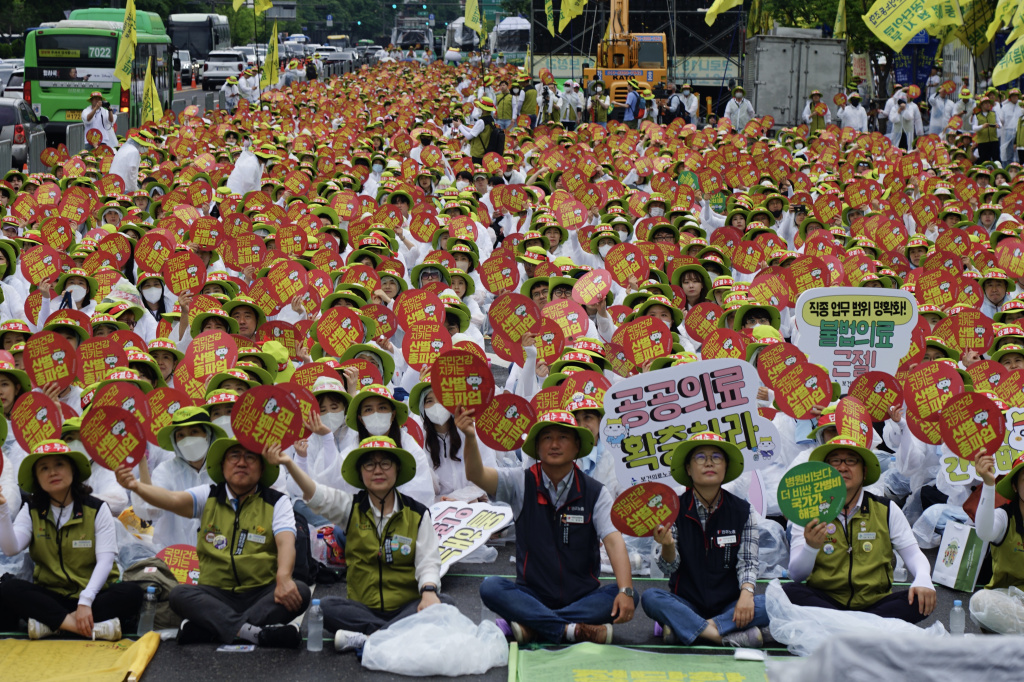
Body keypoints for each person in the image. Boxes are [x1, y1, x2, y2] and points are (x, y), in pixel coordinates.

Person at [115, 439, 311, 648]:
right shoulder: (208, 495)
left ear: (262, 469)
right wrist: (136, 486)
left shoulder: (277, 501)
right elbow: (171, 499)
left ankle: (214, 628)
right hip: (215, 594)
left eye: (250, 458)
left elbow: (286, 542)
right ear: (222, 466)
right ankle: (255, 633)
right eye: (234, 456)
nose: (241, 463)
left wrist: (283, 578)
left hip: (261, 592)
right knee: (180, 594)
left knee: (300, 591)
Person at [267, 432, 448, 653]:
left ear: (397, 469)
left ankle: (367, 638)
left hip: (407, 606)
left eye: (385, 463)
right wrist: (289, 463)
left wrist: (428, 591)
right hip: (363, 609)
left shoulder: (418, 514)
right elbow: (316, 494)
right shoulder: (350, 508)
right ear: (361, 473)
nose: (378, 470)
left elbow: (428, 561)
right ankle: (396, 635)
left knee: (445, 603)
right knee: (326, 607)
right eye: (369, 465)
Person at [469, 409, 637, 645]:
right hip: (531, 595)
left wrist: (625, 590)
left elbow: (613, 541)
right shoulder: (520, 481)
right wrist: (469, 436)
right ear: (537, 447)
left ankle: (535, 626)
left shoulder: (595, 492)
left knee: (627, 595)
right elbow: (476, 474)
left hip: (583, 596)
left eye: (563, 437)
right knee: (491, 587)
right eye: (547, 437)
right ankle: (570, 629)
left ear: (577, 446)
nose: (555, 444)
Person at [783, 437, 937, 623]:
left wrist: (923, 579)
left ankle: (842, 629)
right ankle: (866, 630)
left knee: (920, 599)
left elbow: (913, 554)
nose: (842, 467)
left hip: (876, 603)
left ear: (864, 472)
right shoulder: (809, 512)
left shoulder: (886, 509)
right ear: (824, 470)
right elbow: (796, 574)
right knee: (789, 593)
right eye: (835, 461)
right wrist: (811, 547)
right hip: (827, 602)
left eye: (851, 461)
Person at [0, 440, 143, 640]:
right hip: (51, 596)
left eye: (59, 464)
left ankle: (52, 625)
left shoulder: (97, 508)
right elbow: (11, 548)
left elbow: (105, 561)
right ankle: (85, 628)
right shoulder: (32, 510)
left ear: (73, 470)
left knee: (132, 593)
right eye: (44, 468)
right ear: (37, 478)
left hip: (93, 595)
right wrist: (3, 509)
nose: (52, 472)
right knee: (9, 589)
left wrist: (85, 601)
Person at [641, 433, 769, 647]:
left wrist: (746, 594)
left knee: (770, 603)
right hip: (686, 603)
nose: (709, 462)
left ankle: (685, 628)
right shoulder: (672, 509)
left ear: (726, 467)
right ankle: (723, 637)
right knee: (651, 598)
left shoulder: (743, 510)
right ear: (688, 469)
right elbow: (668, 567)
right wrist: (668, 546)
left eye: (716, 457)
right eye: (700, 457)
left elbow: (748, 562)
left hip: (731, 605)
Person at [969, 453, 1024, 633]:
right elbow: (984, 532)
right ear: (1015, 486)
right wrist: (988, 484)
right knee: (980, 602)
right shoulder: (1005, 516)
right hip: (1006, 601)